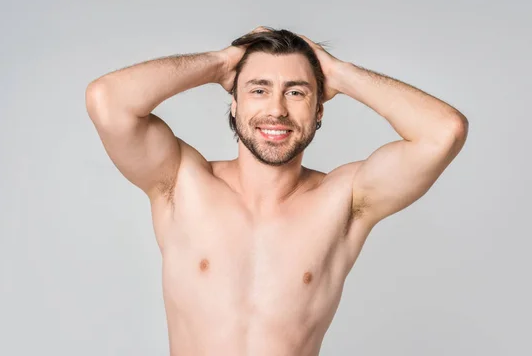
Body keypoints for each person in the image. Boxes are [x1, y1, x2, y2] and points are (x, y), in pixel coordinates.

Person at [85, 26, 468, 356]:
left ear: (320, 109)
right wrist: (221, 63)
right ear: (234, 104)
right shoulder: (181, 181)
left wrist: (339, 72)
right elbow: (107, 100)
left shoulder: (344, 200)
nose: (277, 110)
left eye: (297, 93)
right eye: (258, 90)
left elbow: (443, 132)